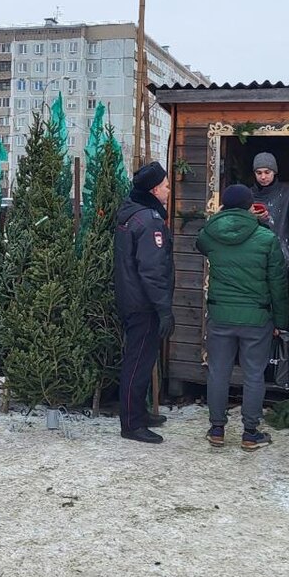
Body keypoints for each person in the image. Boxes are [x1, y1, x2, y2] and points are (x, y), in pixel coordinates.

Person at [195, 184, 289, 450]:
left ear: (224, 206)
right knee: (254, 375)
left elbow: (200, 241)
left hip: (220, 315)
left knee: (218, 372)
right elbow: (278, 284)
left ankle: (217, 429)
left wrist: (219, 216)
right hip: (257, 318)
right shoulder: (266, 238)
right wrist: (281, 322)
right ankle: (250, 433)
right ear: (250, 206)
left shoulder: (211, 234)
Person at [113, 161, 174, 444]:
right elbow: (152, 270)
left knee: (141, 359)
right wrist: (163, 309)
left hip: (132, 298)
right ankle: (132, 423)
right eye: (165, 186)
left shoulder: (132, 214)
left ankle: (138, 412)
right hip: (144, 303)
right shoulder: (149, 221)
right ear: (153, 190)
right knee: (137, 363)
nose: (169, 191)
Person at [250, 152, 289, 264]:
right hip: (253, 254)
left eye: (267, 172)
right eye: (259, 173)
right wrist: (250, 216)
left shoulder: (288, 191)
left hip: (281, 252)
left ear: (274, 172)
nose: (263, 177)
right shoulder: (248, 195)